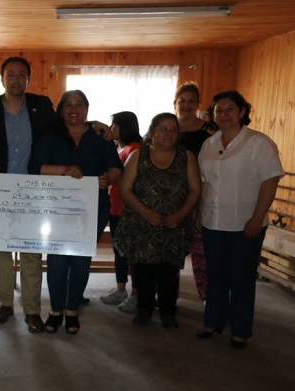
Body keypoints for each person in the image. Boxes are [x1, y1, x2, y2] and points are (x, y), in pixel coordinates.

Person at [29, 90, 122, 334]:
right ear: (61, 110)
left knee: (81, 260)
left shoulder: (100, 135)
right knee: (57, 260)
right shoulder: (50, 135)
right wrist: (64, 169)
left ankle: (72, 311)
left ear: (86, 109)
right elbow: (35, 168)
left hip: (93, 208)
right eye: (68, 104)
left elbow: (116, 167)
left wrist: (108, 178)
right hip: (56, 208)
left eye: (79, 104)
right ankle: (55, 311)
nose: (74, 109)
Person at [0, 56, 54, 333]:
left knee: (32, 251)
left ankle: (32, 309)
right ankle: (5, 303)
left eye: (22, 75)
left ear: (29, 79)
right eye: (11, 74)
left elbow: (60, 133)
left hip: (34, 188)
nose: (16, 79)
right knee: (1, 249)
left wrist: (93, 125)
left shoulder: (42, 106)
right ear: (2, 78)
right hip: (0, 188)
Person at [197, 91, 283, 349]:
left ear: (242, 112)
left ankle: (240, 330)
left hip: (245, 223)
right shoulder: (209, 144)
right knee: (215, 275)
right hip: (212, 221)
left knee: (242, 278)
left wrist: (257, 218)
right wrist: (199, 212)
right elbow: (204, 182)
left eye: (230, 109)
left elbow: (270, 181)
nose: (224, 114)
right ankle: (213, 321)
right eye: (219, 110)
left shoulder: (258, 142)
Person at [113, 113, 201, 328]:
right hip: (142, 224)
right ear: (152, 132)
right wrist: (146, 212)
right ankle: (144, 308)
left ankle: (168, 311)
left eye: (173, 129)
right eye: (163, 129)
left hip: (174, 225)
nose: (168, 133)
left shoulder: (187, 156)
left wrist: (181, 214)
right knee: (142, 270)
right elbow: (125, 190)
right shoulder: (138, 156)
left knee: (169, 271)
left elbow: (195, 189)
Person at [174, 82, 214, 301]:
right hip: (170, 198)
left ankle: (208, 299)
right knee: (170, 251)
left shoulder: (210, 131)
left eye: (191, 101)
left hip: (200, 196)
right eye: (182, 101)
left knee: (201, 253)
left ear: (198, 104)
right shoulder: (168, 129)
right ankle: (167, 297)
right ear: (175, 104)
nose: (186, 105)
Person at [100, 111, 142, 311]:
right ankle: (121, 288)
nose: (111, 128)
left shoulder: (135, 149)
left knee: (132, 253)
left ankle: (136, 294)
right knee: (119, 251)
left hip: (128, 210)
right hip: (116, 207)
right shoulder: (120, 148)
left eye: (114, 125)